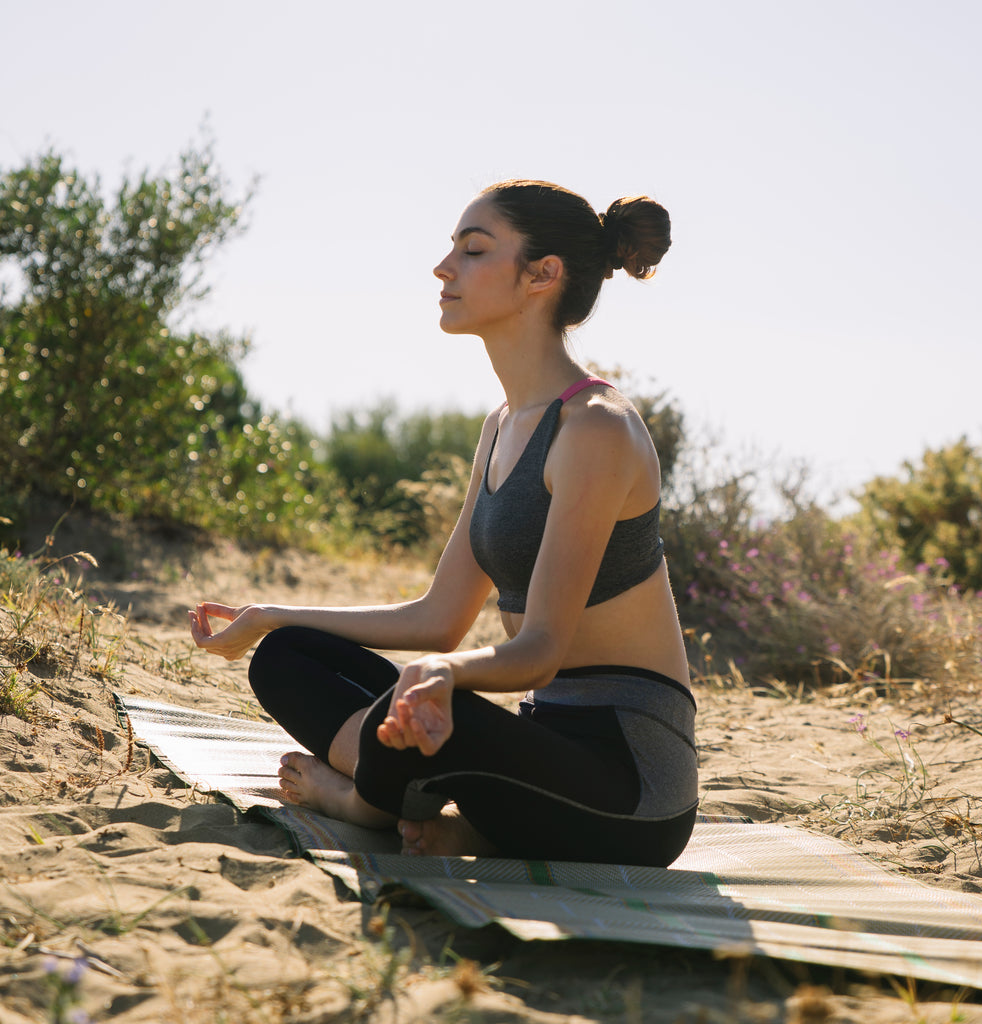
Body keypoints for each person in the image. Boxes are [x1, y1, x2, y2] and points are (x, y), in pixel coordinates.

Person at [189, 180, 698, 867]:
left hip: (627, 786)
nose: (443, 267)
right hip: (536, 749)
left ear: (542, 275)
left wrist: (438, 674)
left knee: (431, 713)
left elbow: (541, 651)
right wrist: (270, 615)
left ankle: (362, 802)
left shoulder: (596, 430)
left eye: (473, 249)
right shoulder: (502, 427)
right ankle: (458, 818)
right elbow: (438, 618)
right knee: (289, 655)